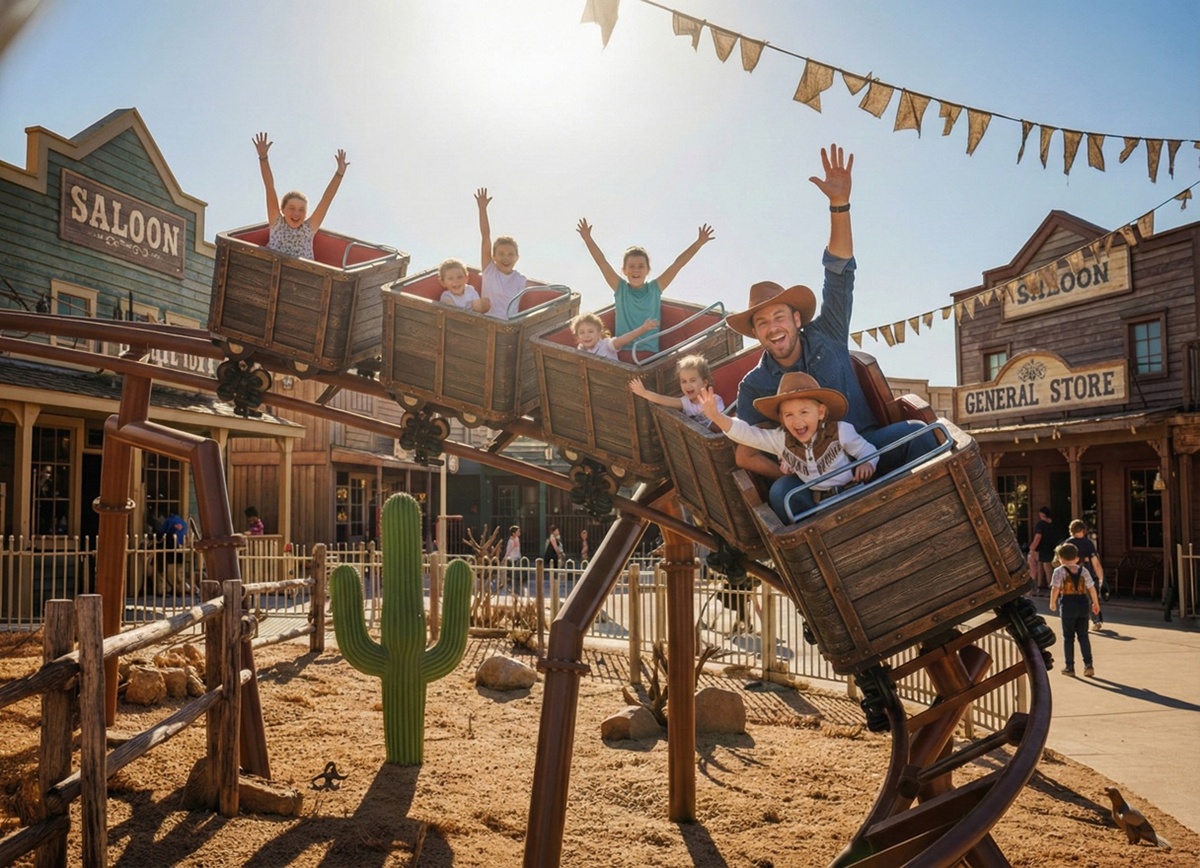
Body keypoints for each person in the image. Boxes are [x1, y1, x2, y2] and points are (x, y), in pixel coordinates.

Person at [727, 143, 937, 511]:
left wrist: (839, 205)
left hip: (867, 448)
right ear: (756, 333)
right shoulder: (755, 385)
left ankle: (923, 517)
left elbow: (839, 271)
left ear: (797, 319)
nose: (773, 328)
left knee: (919, 435)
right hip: (816, 475)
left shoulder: (828, 332)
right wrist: (803, 476)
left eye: (779, 317)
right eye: (762, 323)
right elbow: (745, 454)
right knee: (783, 497)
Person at [699, 373, 878, 522]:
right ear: (782, 419)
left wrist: (867, 463)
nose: (797, 421)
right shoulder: (781, 440)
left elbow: (867, 449)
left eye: (804, 412)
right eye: (789, 415)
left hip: (854, 491)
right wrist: (716, 416)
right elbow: (747, 434)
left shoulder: (841, 431)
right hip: (819, 504)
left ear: (821, 412)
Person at [575, 218, 714, 353]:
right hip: (622, 351)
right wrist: (588, 239)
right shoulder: (621, 288)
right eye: (631, 266)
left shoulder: (654, 289)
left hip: (648, 353)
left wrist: (699, 243)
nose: (636, 270)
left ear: (648, 270)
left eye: (641, 266)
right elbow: (602, 263)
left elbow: (677, 264)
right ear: (624, 270)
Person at [253, 132, 348, 260]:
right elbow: (269, 187)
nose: (296, 214)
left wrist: (339, 174)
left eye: (301, 210)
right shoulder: (277, 223)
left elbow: (326, 200)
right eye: (292, 208)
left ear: (306, 213)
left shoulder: (308, 229)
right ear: (283, 210)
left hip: (302, 272)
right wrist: (263, 158)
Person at [1049, 541, 1101, 677]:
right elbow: (1091, 588)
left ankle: (1070, 667)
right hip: (1083, 603)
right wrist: (1095, 604)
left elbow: (1055, 588)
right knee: (1083, 636)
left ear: (1060, 558)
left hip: (1068, 604)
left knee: (1068, 637)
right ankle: (1088, 665)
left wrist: (1052, 603)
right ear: (1077, 558)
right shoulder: (1084, 571)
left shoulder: (1059, 571)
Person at [476, 188, 527, 319]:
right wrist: (482, 209)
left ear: (517, 257)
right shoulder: (490, 270)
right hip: (489, 322)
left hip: (510, 325)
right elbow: (486, 237)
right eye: (501, 254)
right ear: (494, 257)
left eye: (510, 254)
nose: (506, 258)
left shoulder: (520, 279)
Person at [629, 353, 726, 421]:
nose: (688, 385)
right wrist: (644, 393)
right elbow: (664, 400)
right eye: (684, 381)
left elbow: (722, 422)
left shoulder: (714, 400)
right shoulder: (686, 402)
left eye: (692, 380)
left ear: (704, 383)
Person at [1064, 519, 1106, 629]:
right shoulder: (1088, 544)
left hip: (1070, 576)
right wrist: (1101, 579)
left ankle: (1076, 622)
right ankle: (1096, 621)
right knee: (1092, 598)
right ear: (1083, 530)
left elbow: (1061, 561)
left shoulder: (1067, 543)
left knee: (1072, 600)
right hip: (1087, 574)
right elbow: (1096, 563)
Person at [570, 312, 658, 360]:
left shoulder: (607, 345)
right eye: (582, 332)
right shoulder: (580, 349)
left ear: (599, 333)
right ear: (577, 337)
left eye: (590, 331)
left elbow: (623, 339)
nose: (586, 335)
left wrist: (643, 328)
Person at [1029, 507, 1058, 595]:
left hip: (1043, 547)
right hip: (1053, 547)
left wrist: (1032, 547)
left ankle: (1046, 585)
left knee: (1044, 566)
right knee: (1047, 566)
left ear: (1042, 514)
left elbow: (1038, 537)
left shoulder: (1041, 525)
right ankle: (1044, 585)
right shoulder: (1054, 524)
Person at [504, 524, 523, 593]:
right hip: (512, 558)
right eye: (518, 531)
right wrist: (506, 557)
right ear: (513, 533)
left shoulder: (517, 539)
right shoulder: (511, 541)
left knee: (516, 574)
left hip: (517, 557)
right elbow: (508, 550)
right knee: (513, 574)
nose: (519, 532)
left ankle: (516, 588)